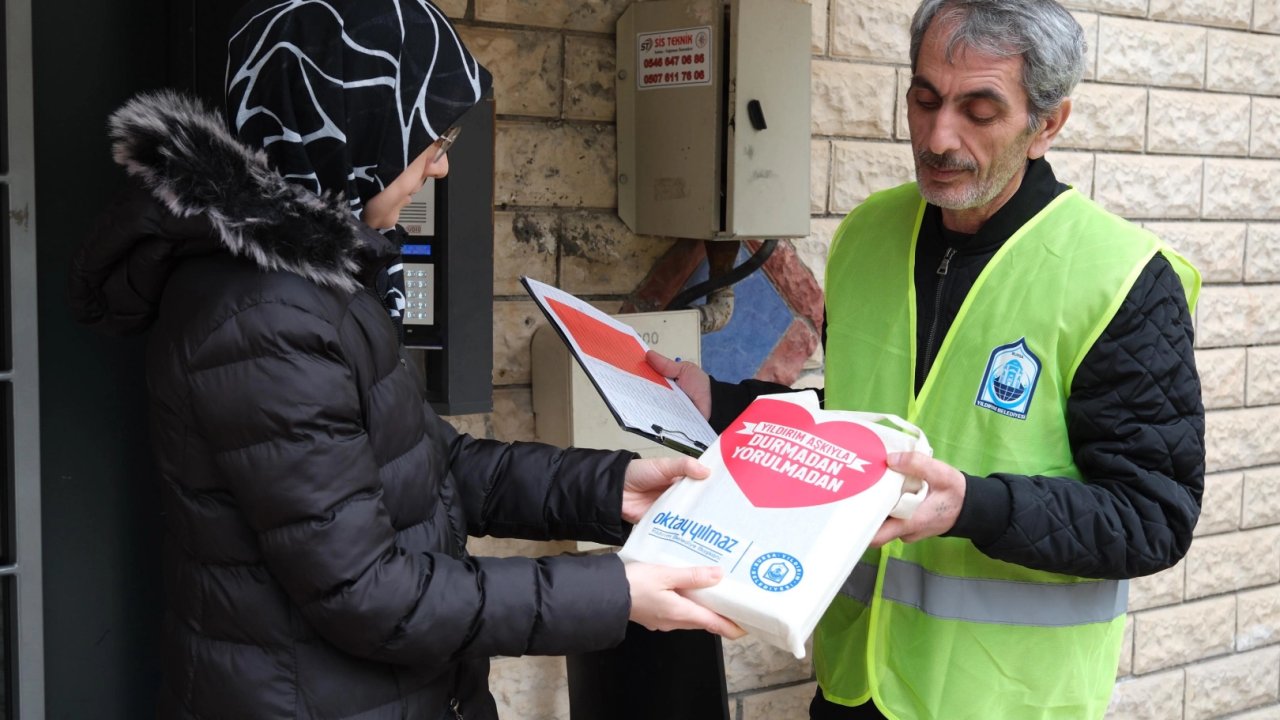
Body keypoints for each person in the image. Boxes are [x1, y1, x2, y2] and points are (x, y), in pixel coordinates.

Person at [67, 1, 742, 718]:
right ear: (358, 124)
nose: (441, 166)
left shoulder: (311, 286)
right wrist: (616, 593)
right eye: (430, 136)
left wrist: (612, 489)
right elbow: (369, 593)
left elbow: (432, 467)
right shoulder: (266, 314)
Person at [649, 0, 1204, 718]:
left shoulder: (1121, 276)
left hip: (1005, 701)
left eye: (979, 110)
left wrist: (974, 506)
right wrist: (720, 405)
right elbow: (856, 428)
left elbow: (1152, 515)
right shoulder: (868, 234)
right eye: (924, 100)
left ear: (1048, 124)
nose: (939, 137)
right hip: (853, 685)